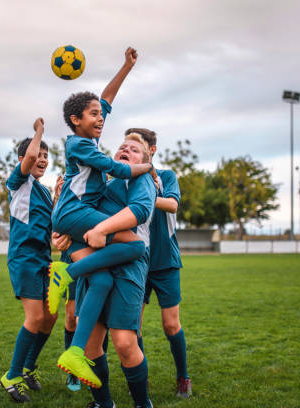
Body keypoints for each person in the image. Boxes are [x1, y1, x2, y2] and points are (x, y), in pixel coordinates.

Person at [48, 48, 153, 388]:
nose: (100, 118)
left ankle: (75, 352)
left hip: (74, 216)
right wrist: (148, 166)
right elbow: (117, 168)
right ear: (77, 120)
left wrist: (126, 67)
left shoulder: (88, 134)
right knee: (135, 246)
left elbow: (106, 98)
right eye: (93, 115)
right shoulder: (79, 145)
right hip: (74, 213)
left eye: (101, 115)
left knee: (104, 280)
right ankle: (68, 272)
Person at [72, 134, 157, 408]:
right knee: (90, 345)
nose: (125, 150)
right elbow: (79, 213)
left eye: (134, 150)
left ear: (143, 161)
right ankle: (103, 403)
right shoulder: (104, 182)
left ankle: (143, 403)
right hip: (97, 263)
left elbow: (140, 210)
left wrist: (101, 229)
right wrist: (62, 232)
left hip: (129, 266)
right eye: (122, 147)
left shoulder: (141, 180)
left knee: (123, 343)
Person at [126, 127, 192, 398]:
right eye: (127, 144)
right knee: (133, 326)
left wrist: (146, 195)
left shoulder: (166, 176)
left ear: (151, 150)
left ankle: (183, 378)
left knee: (170, 325)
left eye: (136, 145)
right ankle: (142, 378)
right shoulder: (125, 179)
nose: (130, 149)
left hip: (165, 262)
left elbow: (173, 205)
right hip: (134, 261)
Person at [0, 118, 59, 403]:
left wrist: (58, 198)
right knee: (35, 317)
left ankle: (28, 367)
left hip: (43, 259)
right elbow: (32, 154)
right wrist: (39, 131)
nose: (43, 160)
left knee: (51, 316)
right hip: (24, 258)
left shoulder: (44, 192)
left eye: (47, 157)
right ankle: (11, 376)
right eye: (39, 155)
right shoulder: (18, 183)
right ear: (23, 159)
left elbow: (53, 226)